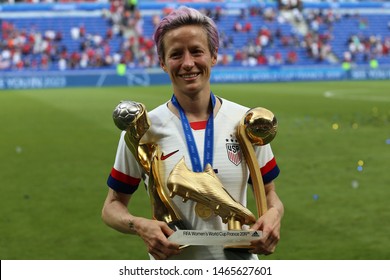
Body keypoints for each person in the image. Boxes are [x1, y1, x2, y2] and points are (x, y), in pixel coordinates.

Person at [102, 6, 284, 260]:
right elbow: (112, 206)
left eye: (196, 51)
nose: (188, 63)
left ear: (213, 56)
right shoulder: (142, 130)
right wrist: (140, 225)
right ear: (163, 63)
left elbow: (269, 195)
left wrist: (273, 216)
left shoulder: (246, 123)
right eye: (176, 54)